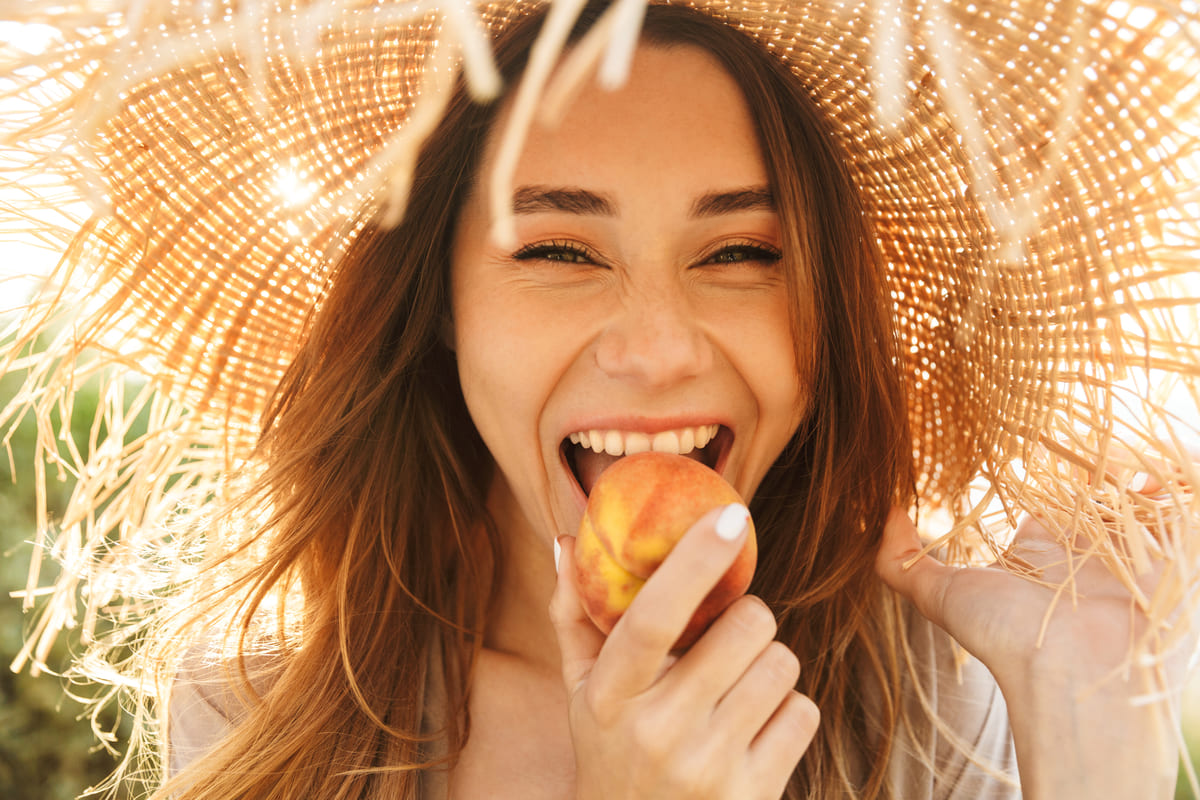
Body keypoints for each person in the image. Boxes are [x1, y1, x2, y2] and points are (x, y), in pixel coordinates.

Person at [2, 1, 1197, 799]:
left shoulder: (933, 708)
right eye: (560, 252)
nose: (659, 346)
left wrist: (1103, 728)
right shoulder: (262, 717)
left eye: (743, 253)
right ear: (438, 313)